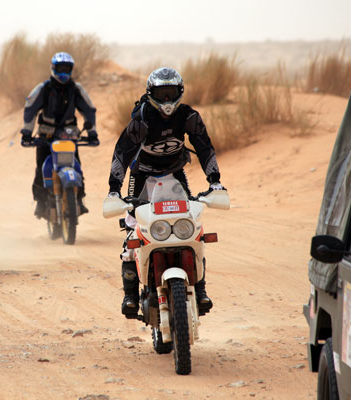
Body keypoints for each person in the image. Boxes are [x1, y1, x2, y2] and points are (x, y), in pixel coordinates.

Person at [107, 67, 226, 318]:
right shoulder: (142, 119)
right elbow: (122, 153)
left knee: (191, 229)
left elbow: (205, 147)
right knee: (133, 234)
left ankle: (201, 290)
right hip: (142, 178)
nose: (167, 100)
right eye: (161, 94)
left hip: (174, 174)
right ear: (150, 94)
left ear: (180, 91)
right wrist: (114, 190)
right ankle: (130, 296)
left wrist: (215, 182)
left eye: (171, 92)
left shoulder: (188, 116)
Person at [20, 51, 99, 218]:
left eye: (67, 69)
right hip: (45, 136)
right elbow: (30, 109)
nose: (63, 72)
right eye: (60, 68)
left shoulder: (76, 89)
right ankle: (41, 202)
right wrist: (27, 132)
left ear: (71, 70)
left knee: (76, 165)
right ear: (53, 68)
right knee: (41, 168)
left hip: (68, 136)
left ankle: (78, 199)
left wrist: (92, 132)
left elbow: (88, 110)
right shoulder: (44, 89)